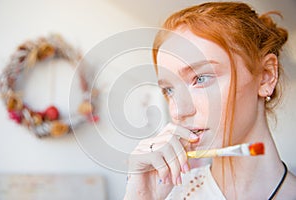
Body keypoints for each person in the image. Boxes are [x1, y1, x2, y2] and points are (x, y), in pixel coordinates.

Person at [124, 2, 296, 199]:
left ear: (266, 76)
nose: (179, 112)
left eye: (201, 78)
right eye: (169, 90)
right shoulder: (168, 195)